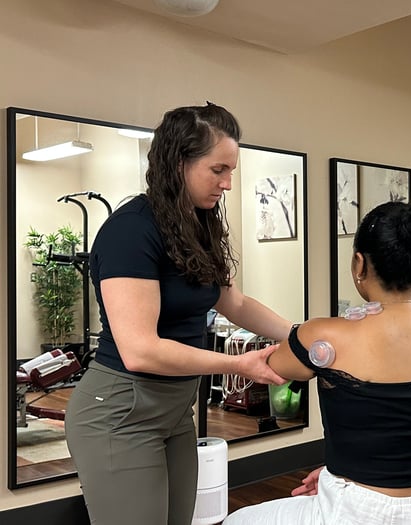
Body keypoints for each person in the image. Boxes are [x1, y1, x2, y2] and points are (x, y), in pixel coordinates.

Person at [65, 103, 292, 525]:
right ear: (178, 162)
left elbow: (234, 304)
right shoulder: (131, 230)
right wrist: (239, 364)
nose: (227, 184)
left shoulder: (195, 224)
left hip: (173, 411)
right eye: (218, 170)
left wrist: (297, 335)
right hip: (120, 412)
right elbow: (140, 351)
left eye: (231, 172)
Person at [224, 201, 411, 525]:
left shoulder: (325, 334)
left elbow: (271, 366)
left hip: (363, 511)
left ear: (359, 264)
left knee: (238, 520)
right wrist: (342, 471)